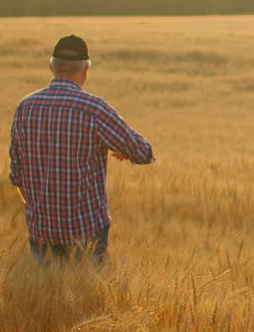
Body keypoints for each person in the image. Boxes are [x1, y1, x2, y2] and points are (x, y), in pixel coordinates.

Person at [9, 34, 153, 263]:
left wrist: (45, 211)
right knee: (89, 295)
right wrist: (122, 148)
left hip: (41, 232)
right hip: (86, 233)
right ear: (86, 70)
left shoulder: (25, 107)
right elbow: (143, 153)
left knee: (45, 296)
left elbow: (17, 175)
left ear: (50, 67)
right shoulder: (93, 108)